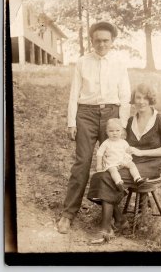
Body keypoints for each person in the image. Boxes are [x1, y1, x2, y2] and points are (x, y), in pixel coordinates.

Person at [57, 21, 131, 234]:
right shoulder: (82, 62)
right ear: (92, 41)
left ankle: (116, 217)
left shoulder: (119, 62)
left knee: (111, 163)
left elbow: (125, 95)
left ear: (112, 41)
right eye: (97, 40)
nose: (101, 44)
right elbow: (74, 93)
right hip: (86, 115)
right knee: (82, 163)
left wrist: (122, 124)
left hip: (111, 115)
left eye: (106, 40)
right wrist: (71, 122)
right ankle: (68, 214)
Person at [87, 83, 161, 244]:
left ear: (151, 100)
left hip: (151, 165)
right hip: (129, 162)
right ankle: (120, 221)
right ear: (133, 100)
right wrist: (111, 158)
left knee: (108, 178)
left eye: (145, 98)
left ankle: (106, 229)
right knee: (100, 176)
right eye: (138, 98)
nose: (141, 102)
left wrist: (142, 152)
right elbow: (121, 144)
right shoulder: (130, 121)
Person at [96, 118, 147, 193]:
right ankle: (119, 183)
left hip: (122, 161)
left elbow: (127, 152)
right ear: (107, 132)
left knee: (132, 165)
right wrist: (99, 165)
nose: (114, 133)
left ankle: (137, 178)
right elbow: (99, 154)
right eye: (111, 131)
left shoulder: (123, 142)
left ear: (121, 131)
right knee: (113, 170)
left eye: (117, 130)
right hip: (112, 162)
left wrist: (126, 159)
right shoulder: (106, 143)